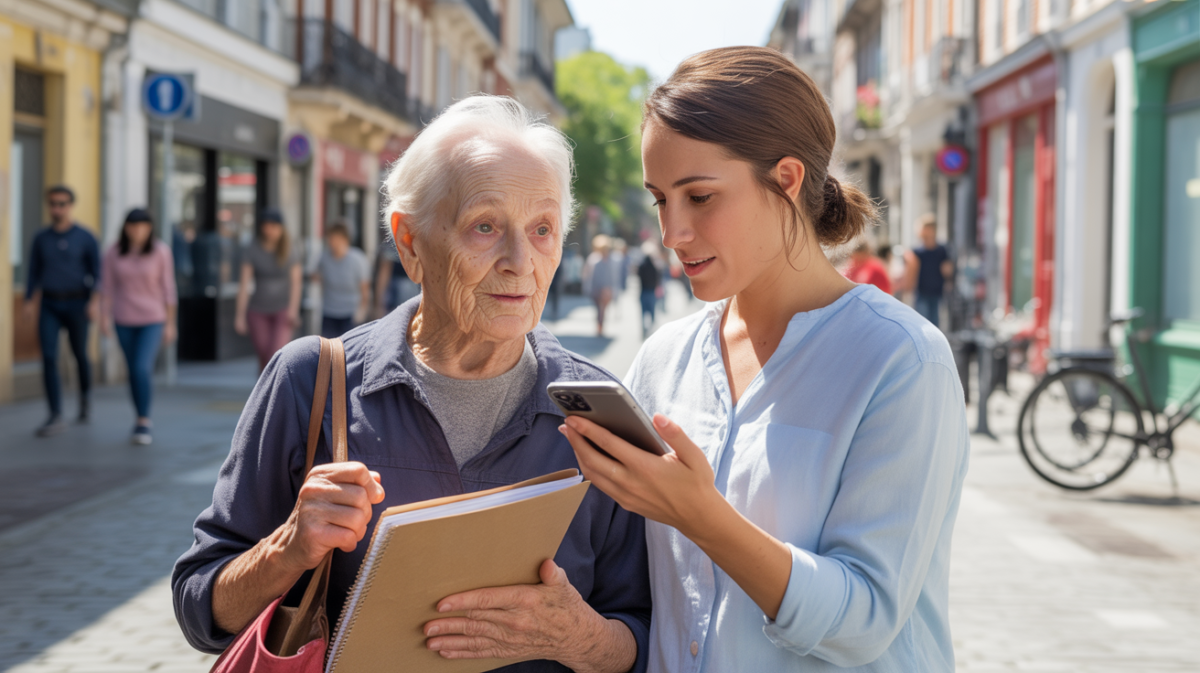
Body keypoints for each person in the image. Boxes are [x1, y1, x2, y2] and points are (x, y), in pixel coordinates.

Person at [173, 96, 651, 673]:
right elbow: (200, 609)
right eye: (485, 226)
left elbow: (648, 636)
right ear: (409, 241)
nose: (520, 261)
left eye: (543, 229)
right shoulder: (311, 380)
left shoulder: (599, 414)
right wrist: (290, 546)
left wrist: (580, 638)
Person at [561, 47, 969, 673]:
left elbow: (865, 623)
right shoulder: (663, 359)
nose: (672, 232)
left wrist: (701, 516)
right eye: (660, 200)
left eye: (699, 196)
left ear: (786, 179)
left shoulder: (901, 360)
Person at [23, 185, 101, 437]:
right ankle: (55, 413)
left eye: (62, 203)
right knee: (48, 356)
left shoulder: (85, 237)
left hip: (78, 303)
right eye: (53, 204)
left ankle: (85, 399)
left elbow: (98, 274)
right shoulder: (41, 238)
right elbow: (33, 271)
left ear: (70, 206)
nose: (57, 208)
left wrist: (94, 302)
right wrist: (27, 301)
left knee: (80, 355)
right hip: (49, 303)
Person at [98, 209, 178, 445]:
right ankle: (138, 416)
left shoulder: (161, 251)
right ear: (125, 228)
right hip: (123, 320)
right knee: (133, 371)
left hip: (153, 320)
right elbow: (107, 288)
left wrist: (171, 324)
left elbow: (169, 290)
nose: (138, 231)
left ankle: (144, 421)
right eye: (133, 226)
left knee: (142, 368)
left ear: (150, 228)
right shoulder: (113, 252)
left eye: (143, 226)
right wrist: (104, 318)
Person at [234, 208, 302, 371]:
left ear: (281, 228)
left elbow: (296, 283)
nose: (269, 230)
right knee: (264, 356)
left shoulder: (290, 249)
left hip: (282, 309)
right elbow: (244, 284)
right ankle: (265, 393)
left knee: (277, 354)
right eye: (266, 226)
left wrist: (294, 310)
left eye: (273, 226)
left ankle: (277, 393)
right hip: (258, 310)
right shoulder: (253, 249)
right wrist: (239, 316)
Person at [312, 221, 370, 338]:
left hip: (350, 313)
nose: (333, 242)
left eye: (336, 238)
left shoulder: (358, 260)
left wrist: (362, 311)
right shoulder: (324, 257)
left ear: (345, 239)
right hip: (329, 311)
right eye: (330, 238)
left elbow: (365, 288)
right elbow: (317, 276)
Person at [912, 215, 954, 328]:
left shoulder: (942, 250)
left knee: (935, 325)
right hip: (921, 292)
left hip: (937, 292)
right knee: (921, 324)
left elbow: (948, 271)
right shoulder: (917, 251)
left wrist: (948, 277)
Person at [373, 234, 420, 318]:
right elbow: (385, 271)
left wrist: (378, 304)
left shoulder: (394, 239)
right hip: (408, 287)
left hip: (402, 288)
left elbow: (384, 271)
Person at [582, 235, 620, 336]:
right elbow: (589, 276)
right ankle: (600, 325)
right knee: (599, 308)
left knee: (602, 309)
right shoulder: (594, 259)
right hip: (597, 289)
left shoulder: (612, 260)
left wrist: (611, 289)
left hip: (606, 290)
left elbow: (613, 277)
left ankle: (600, 326)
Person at [636, 241, 663, 338]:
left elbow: (638, 277)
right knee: (652, 312)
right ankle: (652, 331)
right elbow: (658, 279)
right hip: (651, 291)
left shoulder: (641, 265)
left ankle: (644, 330)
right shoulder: (655, 266)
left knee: (643, 313)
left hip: (643, 291)